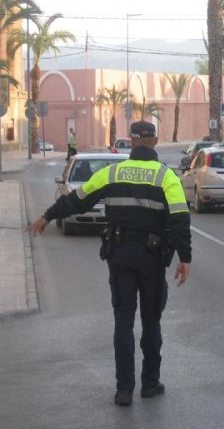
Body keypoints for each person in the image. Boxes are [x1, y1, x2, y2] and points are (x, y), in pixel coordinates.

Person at [29, 121, 192, 407]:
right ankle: (150, 384)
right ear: (154, 141)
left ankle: (124, 390)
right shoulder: (167, 177)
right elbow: (179, 218)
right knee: (151, 322)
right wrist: (185, 258)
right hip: (153, 259)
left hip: (120, 257)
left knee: (123, 322)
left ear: (131, 140)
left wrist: (48, 215)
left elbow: (77, 200)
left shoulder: (111, 173)